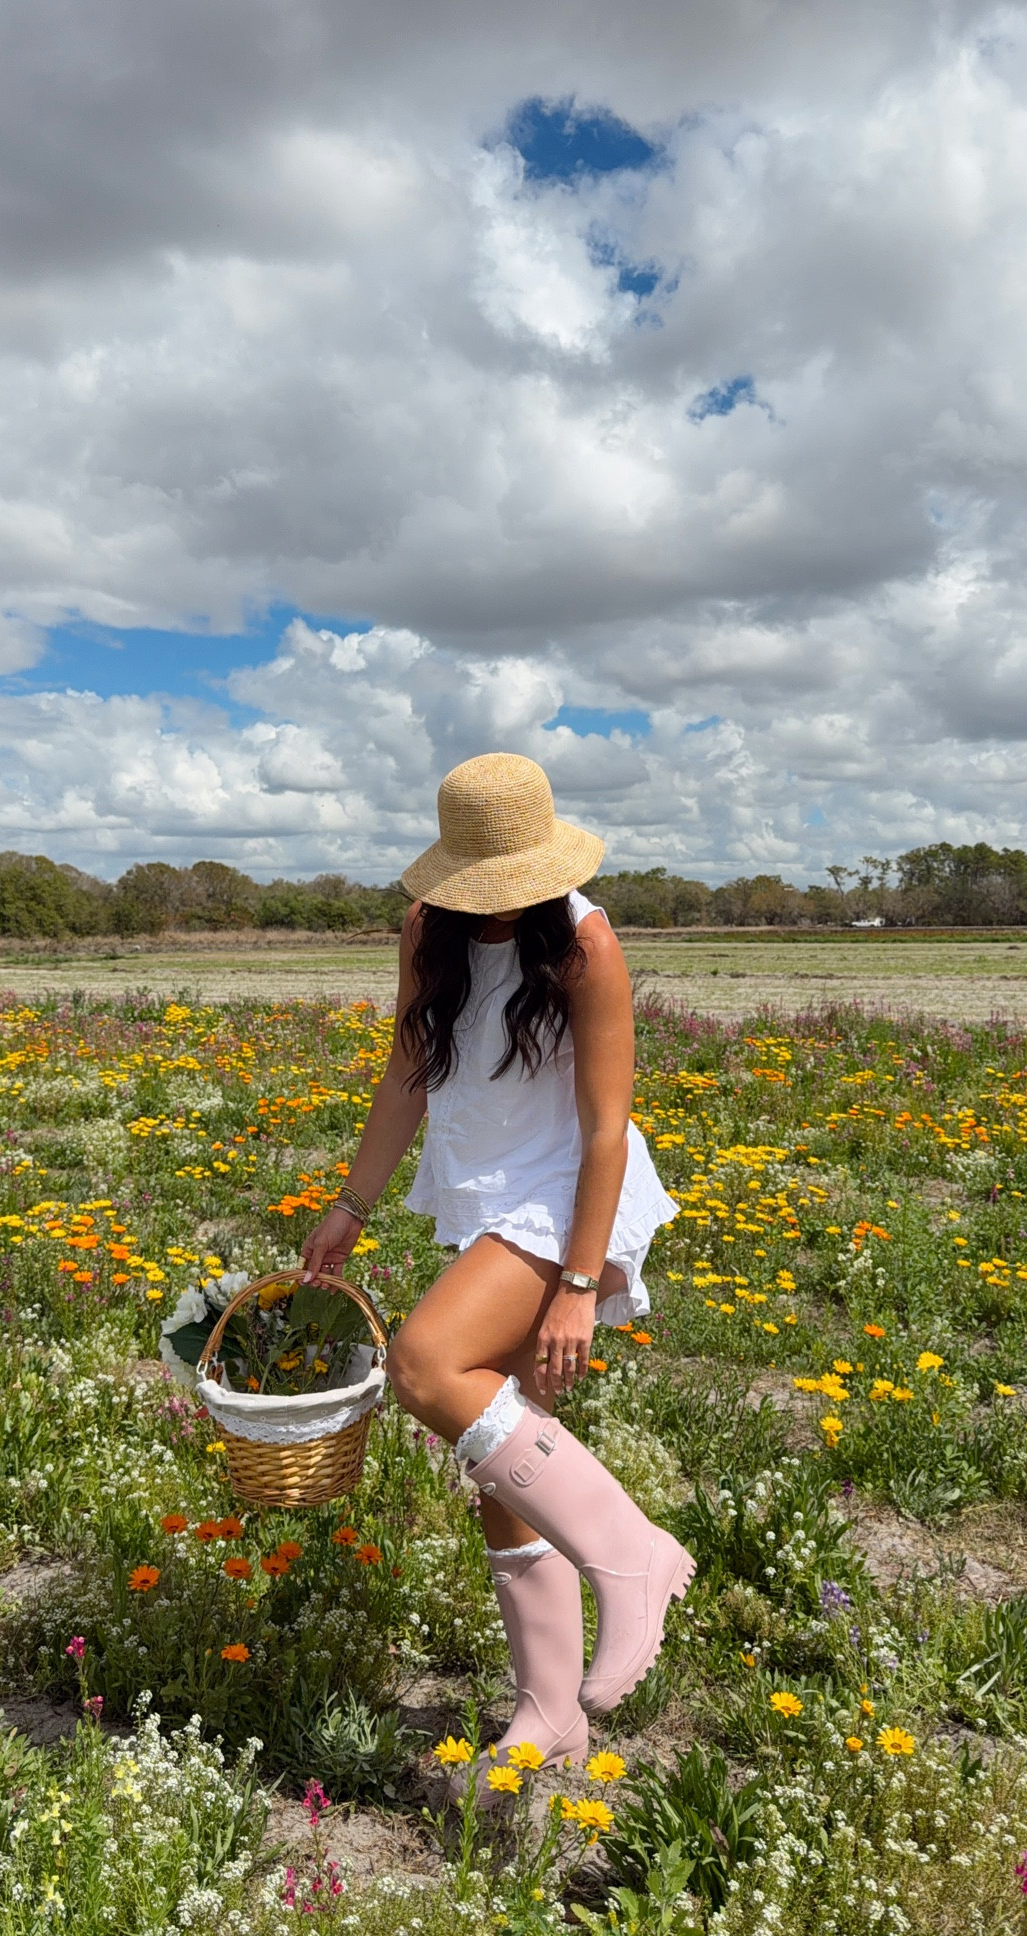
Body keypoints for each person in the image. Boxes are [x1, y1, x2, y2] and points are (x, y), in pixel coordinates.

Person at [299, 751, 693, 1793]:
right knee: (497, 1451)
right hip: (489, 1196)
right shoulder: (428, 928)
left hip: (568, 1195)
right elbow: (408, 1069)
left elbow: (607, 1126)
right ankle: (550, 1710)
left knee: (427, 1364)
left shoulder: (585, 940)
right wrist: (352, 1202)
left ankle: (633, 1552)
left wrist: (577, 1278)